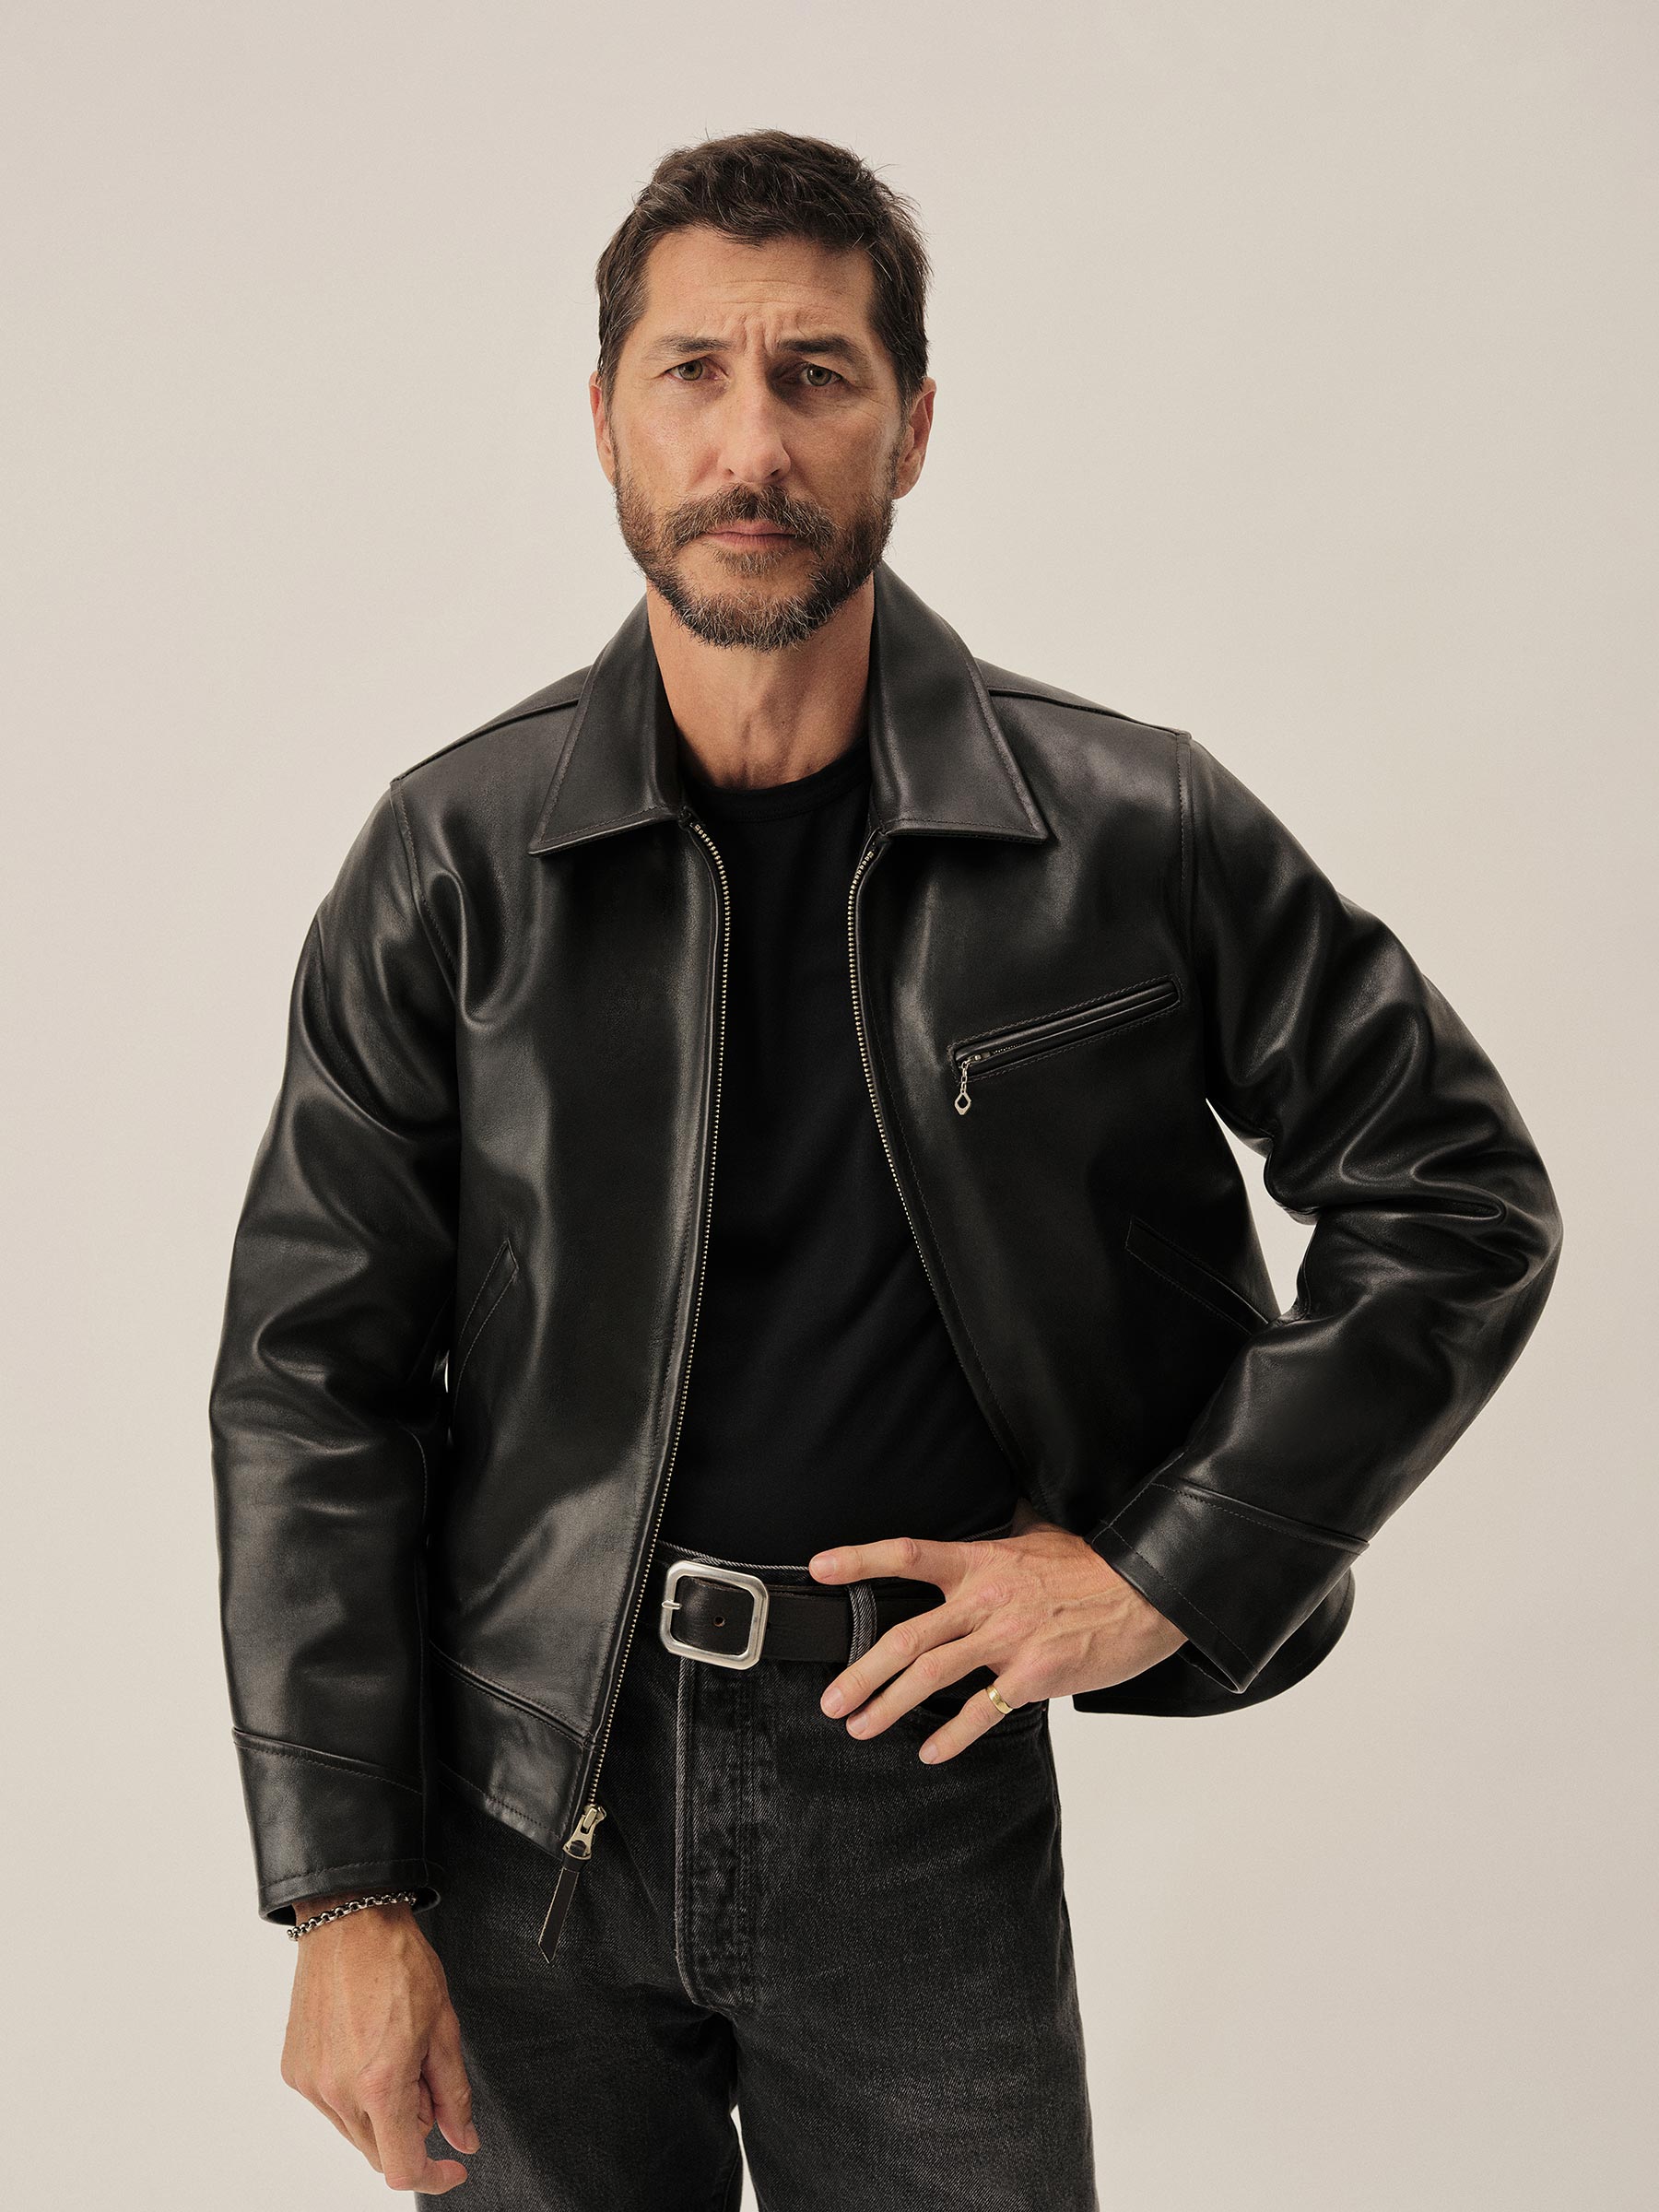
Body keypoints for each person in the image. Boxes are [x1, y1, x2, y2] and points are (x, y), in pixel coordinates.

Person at [208, 129, 1563, 2209]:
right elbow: (311, 1380)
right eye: (694, 373)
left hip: (912, 1774)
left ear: (911, 427)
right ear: (605, 420)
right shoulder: (453, 860)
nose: (751, 444)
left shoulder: (1129, 829)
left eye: (816, 376)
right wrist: (343, 1893)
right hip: (518, 1794)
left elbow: (1456, 1197)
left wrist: (1164, 1570)